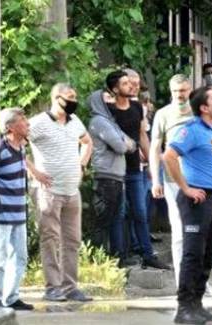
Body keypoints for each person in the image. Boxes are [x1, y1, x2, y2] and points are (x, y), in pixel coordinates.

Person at [163, 86, 212, 324]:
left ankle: (196, 304)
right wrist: (186, 188)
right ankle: (183, 308)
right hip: (195, 200)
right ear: (203, 107)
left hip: (211, 198)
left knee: (207, 254)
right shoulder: (191, 130)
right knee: (193, 254)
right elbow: (169, 155)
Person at [28, 83, 93, 302]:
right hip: (49, 191)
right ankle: (52, 287)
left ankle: (70, 286)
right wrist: (33, 170)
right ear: (56, 98)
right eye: (69, 97)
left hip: (72, 190)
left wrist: (82, 165)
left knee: (72, 240)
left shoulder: (75, 122)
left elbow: (87, 142)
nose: (74, 100)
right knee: (50, 239)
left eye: (75, 96)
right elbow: (13, 142)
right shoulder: (38, 122)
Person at [105, 70, 168, 269]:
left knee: (140, 212)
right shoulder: (108, 110)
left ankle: (147, 253)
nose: (132, 86)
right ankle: (119, 255)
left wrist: (150, 162)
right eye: (126, 83)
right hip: (115, 167)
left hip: (134, 167)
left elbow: (142, 135)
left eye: (132, 83)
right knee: (119, 213)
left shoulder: (136, 107)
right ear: (115, 89)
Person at [150, 74, 195, 284]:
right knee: (178, 231)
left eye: (184, 90)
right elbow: (154, 148)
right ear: (171, 91)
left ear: (190, 89)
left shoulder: (199, 111)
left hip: (199, 178)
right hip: (172, 180)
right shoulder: (163, 114)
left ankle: (198, 279)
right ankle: (182, 281)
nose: (180, 95)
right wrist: (155, 180)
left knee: (198, 231)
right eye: (176, 91)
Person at [88, 86, 137, 266]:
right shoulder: (99, 121)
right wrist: (126, 144)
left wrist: (126, 143)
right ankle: (98, 261)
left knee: (117, 219)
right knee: (103, 221)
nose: (112, 101)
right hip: (105, 177)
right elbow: (123, 147)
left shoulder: (111, 122)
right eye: (107, 98)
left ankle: (118, 258)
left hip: (116, 177)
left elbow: (132, 144)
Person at [0, 108, 34, 310]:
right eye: (22, 120)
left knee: (20, 257)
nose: (27, 123)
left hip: (19, 213)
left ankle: (11, 297)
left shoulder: (22, 149)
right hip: (1, 215)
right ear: (10, 127)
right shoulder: (0, 149)